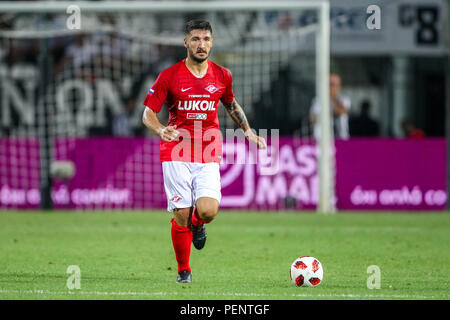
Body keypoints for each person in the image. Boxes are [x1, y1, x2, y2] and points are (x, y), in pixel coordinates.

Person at [141, 20, 267, 283]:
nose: (202, 44)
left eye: (207, 39)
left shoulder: (222, 75)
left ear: (212, 42)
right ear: (186, 42)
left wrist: (247, 131)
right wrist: (160, 129)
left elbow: (231, 104)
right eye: (196, 39)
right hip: (176, 149)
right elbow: (148, 114)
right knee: (182, 213)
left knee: (208, 211)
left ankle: (198, 225)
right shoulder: (170, 75)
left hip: (208, 149)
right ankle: (183, 270)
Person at [310, 73, 351, 139]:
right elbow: (314, 118)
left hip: (341, 139)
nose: (331, 87)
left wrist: (333, 99)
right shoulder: (318, 100)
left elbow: (342, 111)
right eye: (330, 84)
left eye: (333, 85)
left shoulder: (344, 99)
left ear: (339, 86)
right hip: (322, 140)